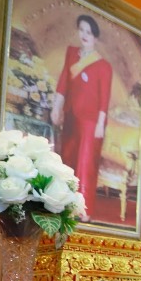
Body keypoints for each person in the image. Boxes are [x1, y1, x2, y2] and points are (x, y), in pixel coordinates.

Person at [51, 14, 113, 222]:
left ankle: (83, 210)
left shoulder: (103, 66)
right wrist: (57, 107)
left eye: (89, 32)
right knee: (67, 159)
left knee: (86, 164)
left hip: (91, 123)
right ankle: (63, 204)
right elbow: (63, 82)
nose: (85, 35)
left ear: (95, 36)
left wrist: (100, 124)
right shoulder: (71, 54)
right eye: (82, 30)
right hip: (71, 116)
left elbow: (104, 98)